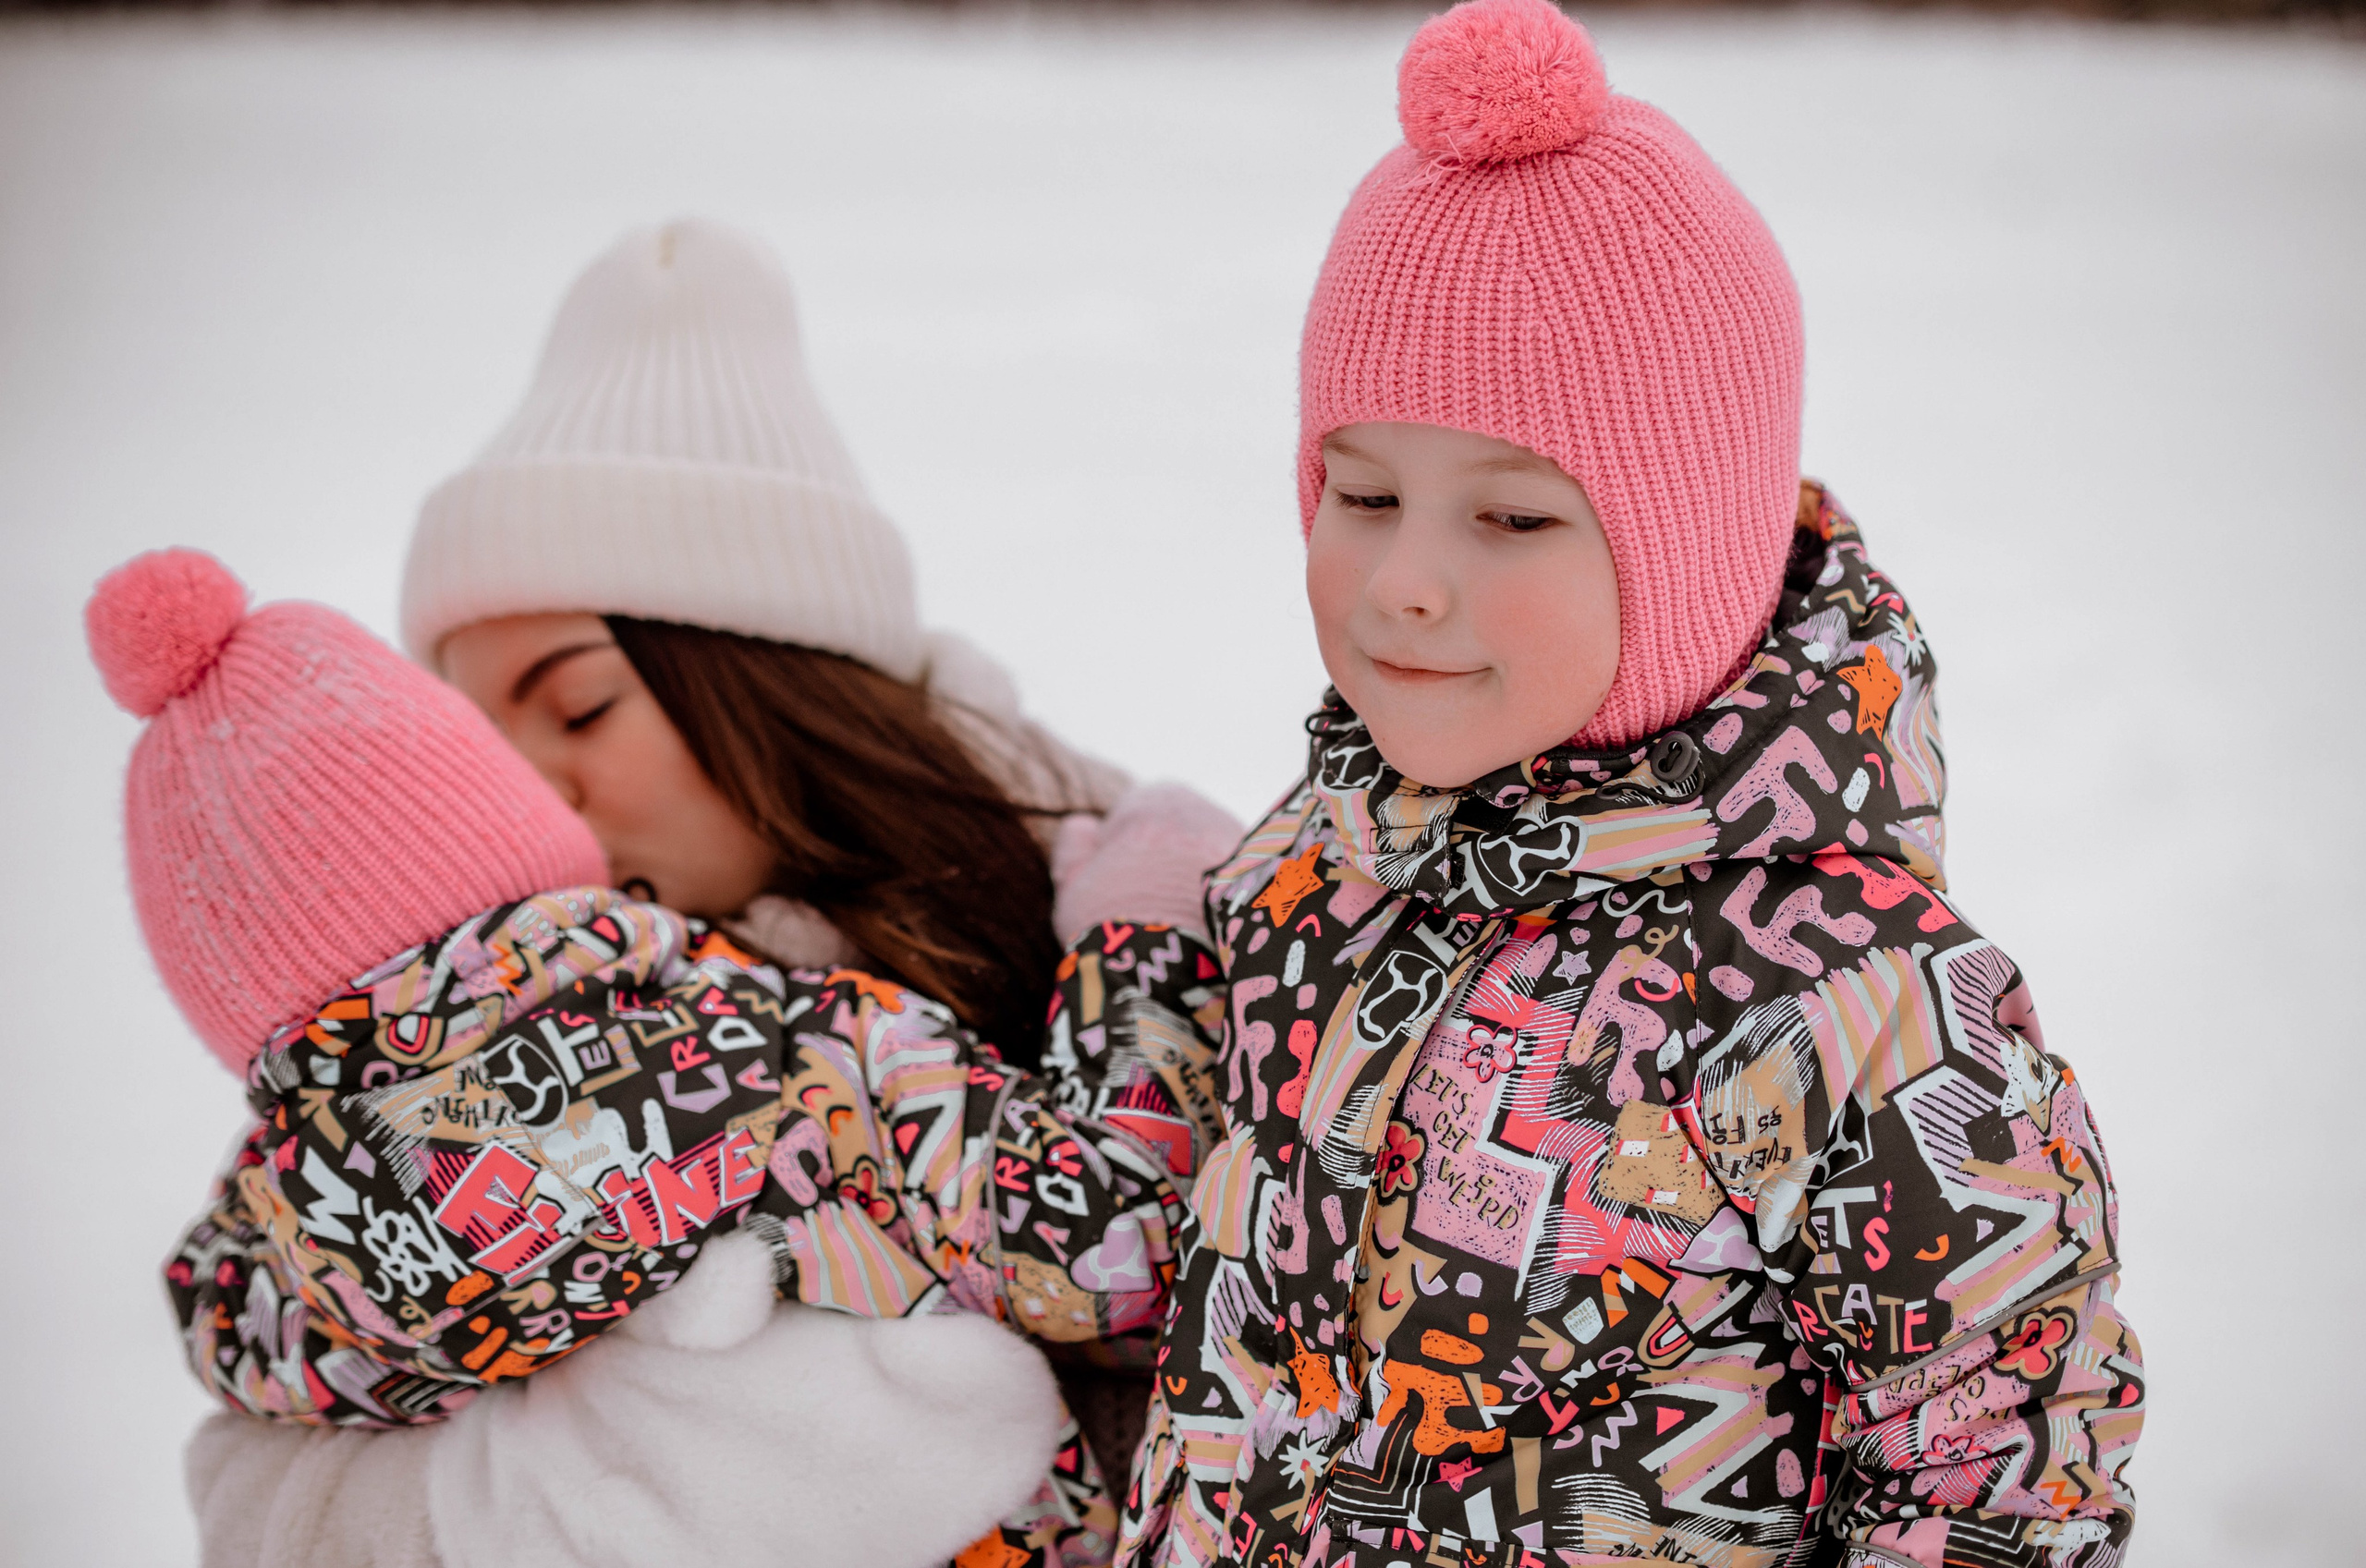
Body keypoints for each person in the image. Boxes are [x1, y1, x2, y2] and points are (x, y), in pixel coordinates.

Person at [1115, 5, 2142, 1566]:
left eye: (1512, 519)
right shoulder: (1315, 865)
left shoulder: (1852, 1004)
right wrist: (1109, 943)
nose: (1401, 580)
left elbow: (1994, 1480)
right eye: (1365, 493)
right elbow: (1138, 1243)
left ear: (1691, 548)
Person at [163, 219, 1242, 1567]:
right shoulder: (537, 1036)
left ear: (758, 675)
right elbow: (257, 1407)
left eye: (578, 705)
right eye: (481, 753)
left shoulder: (1158, 906)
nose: (537, 792)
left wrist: (1147, 942)